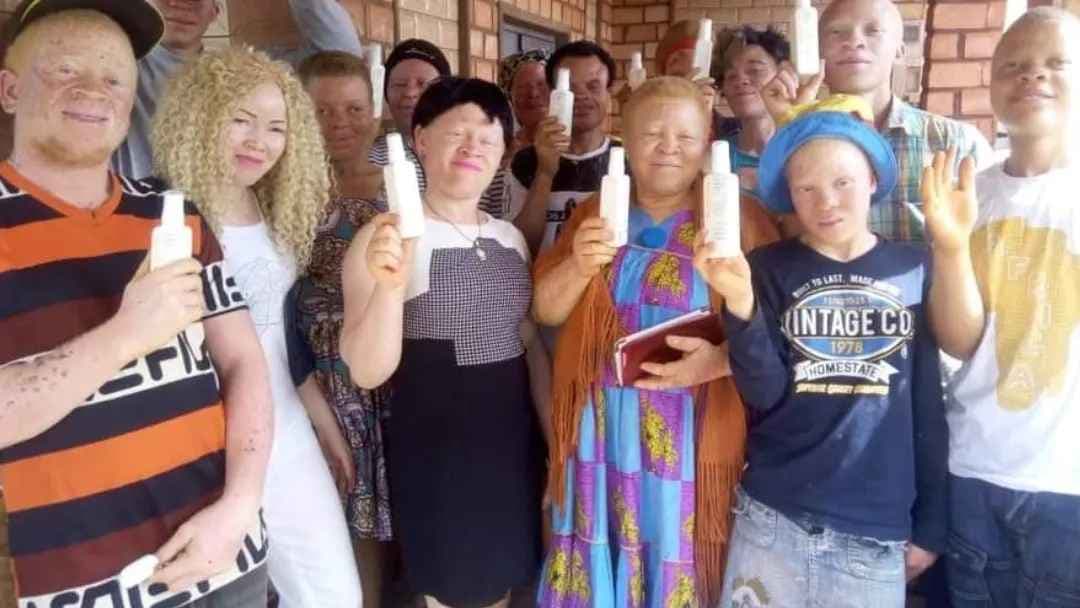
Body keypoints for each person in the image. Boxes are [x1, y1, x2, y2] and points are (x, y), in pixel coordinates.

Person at [0, 2, 273, 606]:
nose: (94, 91)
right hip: (85, 590)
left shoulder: (170, 212)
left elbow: (243, 365)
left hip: (228, 563)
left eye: (115, 77)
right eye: (66, 69)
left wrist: (241, 506)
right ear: (10, 89)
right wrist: (127, 334)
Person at [533, 77, 779, 608]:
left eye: (685, 137)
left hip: (693, 426)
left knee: (678, 546)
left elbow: (777, 333)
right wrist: (578, 263)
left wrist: (722, 359)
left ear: (707, 141)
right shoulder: (594, 212)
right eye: (652, 134)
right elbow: (545, 309)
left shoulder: (740, 219)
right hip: (602, 427)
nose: (669, 147)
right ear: (626, 139)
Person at [700, 98, 948, 607]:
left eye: (842, 182)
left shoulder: (916, 268)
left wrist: (932, 524)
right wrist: (741, 302)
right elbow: (764, 392)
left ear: (874, 181)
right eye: (806, 188)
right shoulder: (765, 268)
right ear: (789, 196)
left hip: (873, 532)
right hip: (772, 519)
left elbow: (927, 402)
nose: (826, 201)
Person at [151, 47, 361, 607]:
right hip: (200, 444)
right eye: (240, 120)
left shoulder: (273, 207)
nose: (258, 141)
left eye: (275, 127)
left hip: (286, 432)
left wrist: (324, 424)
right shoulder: (159, 211)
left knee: (332, 593)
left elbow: (280, 340)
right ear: (200, 116)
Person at [341, 77, 550, 608]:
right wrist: (390, 285)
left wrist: (557, 438)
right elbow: (367, 370)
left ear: (505, 151)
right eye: (456, 132)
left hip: (510, 446)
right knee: (450, 591)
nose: (472, 147)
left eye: (488, 136)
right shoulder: (384, 237)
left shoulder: (507, 237)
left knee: (503, 584)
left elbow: (527, 343)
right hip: (438, 453)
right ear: (420, 140)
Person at [922, 9, 1080, 607]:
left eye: (1056, 64)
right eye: (1013, 66)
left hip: (1069, 485)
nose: (1032, 78)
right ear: (991, 85)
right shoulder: (974, 193)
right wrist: (950, 245)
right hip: (975, 468)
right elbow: (961, 341)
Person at [294, 49, 393, 608]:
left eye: (354, 108)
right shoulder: (283, 186)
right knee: (337, 508)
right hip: (316, 374)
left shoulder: (400, 185)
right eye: (323, 111)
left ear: (374, 113)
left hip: (387, 359)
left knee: (387, 506)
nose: (340, 123)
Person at [780, 0, 993, 244]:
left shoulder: (955, 144)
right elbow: (789, 242)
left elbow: (985, 251)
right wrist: (790, 123)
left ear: (900, 50)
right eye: (837, 32)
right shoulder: (798, 141)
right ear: (818, 50)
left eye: (873, 31)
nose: (854, 41)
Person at [113, 0, 362, 180]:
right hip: (134, 225)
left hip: (218, 230)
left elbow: (340, 55)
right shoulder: (117, 63)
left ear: (215, 11)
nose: (180, 3)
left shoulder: (240, 77)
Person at [506, 40, 618, 254]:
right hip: (541, 284)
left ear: (608, 93)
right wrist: (545, 173)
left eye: (593, 86)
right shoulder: (524, 163)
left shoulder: (624, 162)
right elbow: (518, 248)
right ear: (552, 94)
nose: (582, 96)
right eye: (571, 88)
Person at [716, 26, 789, 191]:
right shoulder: (716, 157)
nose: (741, 80)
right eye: (731, 76)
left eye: (755, 71)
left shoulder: (805, 147)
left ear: (784, 76)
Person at [654, 19, 737, 139]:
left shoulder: (736, 132)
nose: (692, 87)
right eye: (679, 78)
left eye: (699, 78)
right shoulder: (651, 137)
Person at [499, 49, 551, 158]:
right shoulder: (499, 149)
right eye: (522, 87)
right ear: (510, 95)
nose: (533, 94)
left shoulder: (572, 144)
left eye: (541, 84)